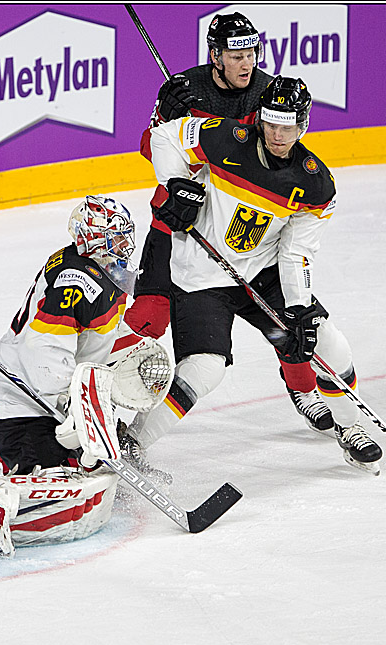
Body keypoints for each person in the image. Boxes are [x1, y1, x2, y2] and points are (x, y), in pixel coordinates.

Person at [120, 76, 384, 476]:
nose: (279, 135)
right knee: (205, 368)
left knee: (328, 341)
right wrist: (177, 185)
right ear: (260, 119)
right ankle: (132, 441)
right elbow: (167, 137)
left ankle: (350, 426)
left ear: (304, 125)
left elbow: (296, 251)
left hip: (262, 273)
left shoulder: (314, 183)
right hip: (200, 274)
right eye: (272, 124)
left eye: (289, 127)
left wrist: (298, 307)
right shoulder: (225, 138)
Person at [130, 12, 335, 437]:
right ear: (215, 55)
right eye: (236, 54)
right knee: (149, 315)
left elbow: (271, 157)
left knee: (287, 319)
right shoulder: (185, 88)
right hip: (177, 225)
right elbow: (153, 149)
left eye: (251, 53)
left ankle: (304, 389)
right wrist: (163, 124)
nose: (247, 63)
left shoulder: (267, 91)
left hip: (243, 229)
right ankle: (108, 389)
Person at [0, 195, 139, 558]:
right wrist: (71, 407)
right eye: (114, 237)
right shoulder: (77, 281)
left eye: (124, 235)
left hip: (37, 394)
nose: (123, 245)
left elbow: (91, 341)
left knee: (87, 460)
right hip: (21, 400)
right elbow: (45, 350)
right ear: (91, 239)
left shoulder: (98, 268)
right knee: (58, 476)